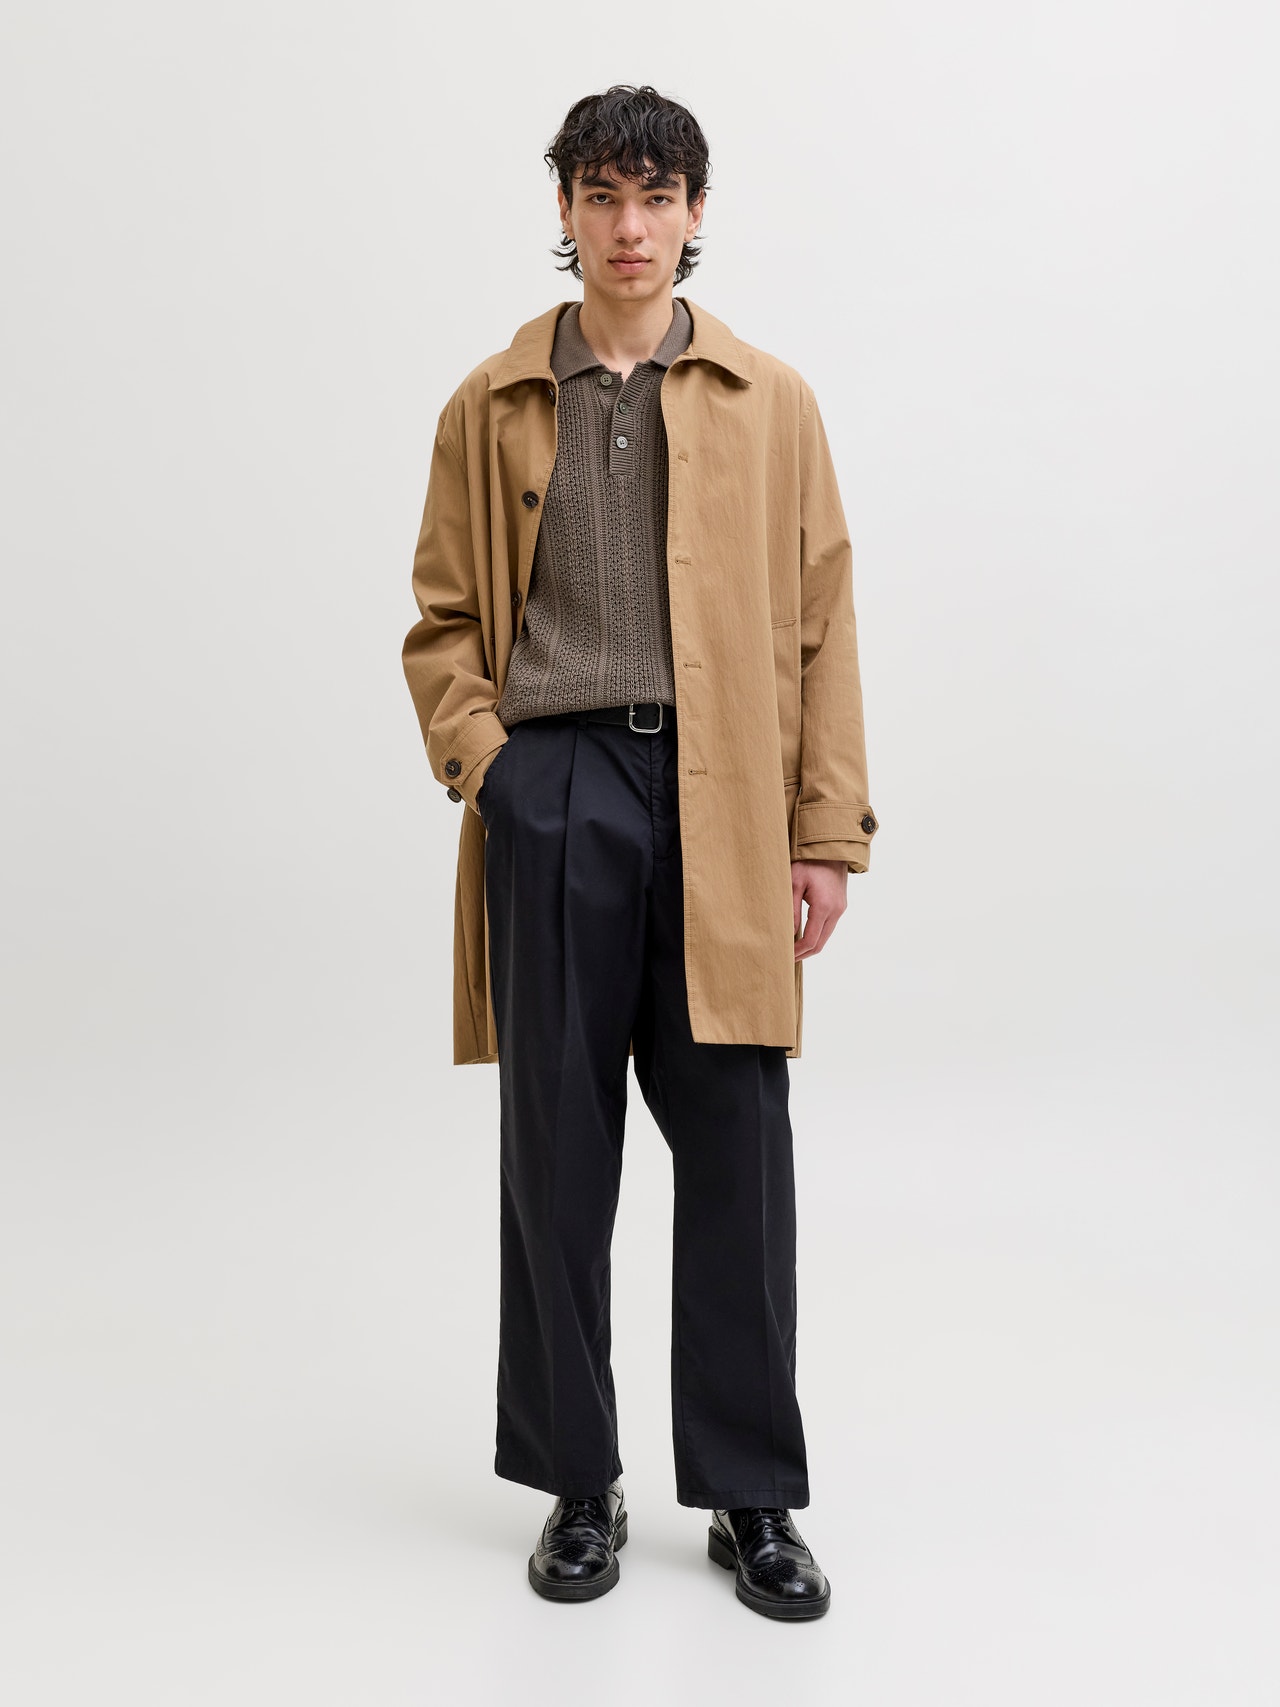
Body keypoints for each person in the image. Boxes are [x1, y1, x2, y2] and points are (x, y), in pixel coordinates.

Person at [401, 84, 878, 1621]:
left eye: (656, 196)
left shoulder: (769, 400)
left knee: (739, 1145)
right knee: (559, 1148)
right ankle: (578, 1481)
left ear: (694, 212)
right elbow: (443, 626)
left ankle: (751, 1494)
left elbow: (821, 624)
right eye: (601, 196)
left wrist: (824, 831)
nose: (629, 226)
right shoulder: (491, 405)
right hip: (557, 788)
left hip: (723, 797)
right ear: (564, 210)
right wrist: (498, 773)